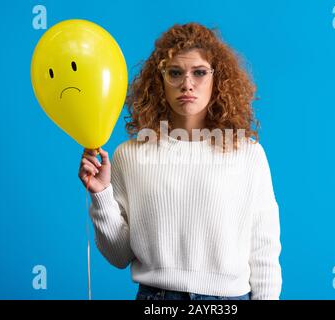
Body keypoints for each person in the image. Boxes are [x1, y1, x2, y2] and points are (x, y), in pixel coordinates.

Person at [78, 22, 282, 300]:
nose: (187, 84)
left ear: (217, 78)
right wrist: (101, 195)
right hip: (157, 300)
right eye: (175, 72)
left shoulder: (248, 154)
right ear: (159, 80)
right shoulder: (130, 155)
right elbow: (119, 255)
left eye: (199, 72)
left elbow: (264, 249)